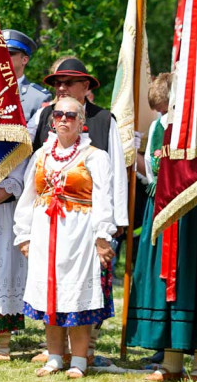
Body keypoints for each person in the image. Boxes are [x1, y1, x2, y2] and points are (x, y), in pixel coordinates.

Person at [127, 73, 197, 382]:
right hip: (164, 214)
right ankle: (171, 363)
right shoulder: (157, 127)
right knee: (167, 286)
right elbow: (151, 173)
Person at [28, 57, 126, 363]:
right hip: (52, 220)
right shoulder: (46, 116)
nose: (61, 87)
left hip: (90, 218)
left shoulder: (103, 119)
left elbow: (118, 175)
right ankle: (55, 350)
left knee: (91, 285)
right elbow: (35, 164)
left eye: (69, 82)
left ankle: (87, 349)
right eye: (58, 82)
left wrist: (116, 222)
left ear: (86, 86)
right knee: (54, 283)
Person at [14, 96, 114, 377]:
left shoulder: (95, 157)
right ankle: (55, 357)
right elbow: (28, 197)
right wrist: (24, 234)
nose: (63, 119)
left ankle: (80, 361)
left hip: (79, 234)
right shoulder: (42, 155)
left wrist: (102, 236)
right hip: (46, 231)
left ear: (82, 122)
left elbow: (103, 200)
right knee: (50, 295)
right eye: (58, 114)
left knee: (76, 295)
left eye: (70, 115)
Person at [3, 29, 51, 123]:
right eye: (0, 53)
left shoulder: (39, 97)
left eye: (10, 53)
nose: (3, 57)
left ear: (24, 60)